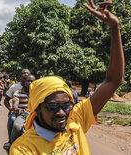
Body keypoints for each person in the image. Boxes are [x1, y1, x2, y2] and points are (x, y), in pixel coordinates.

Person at [9, 1, 124, 154]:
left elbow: (113, 81)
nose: (62, 113)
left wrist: (115, 28)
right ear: (37, 108)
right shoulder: (24, 149)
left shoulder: (74, 120)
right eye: (53, 107)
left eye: (66, 105)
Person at [4, 69, 30, 142]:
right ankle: (11, 141)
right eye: (24, 73)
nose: (26, 74)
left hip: (31, 112)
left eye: (28, 73)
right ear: (21, 76)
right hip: (18, 112)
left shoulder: (34, 89)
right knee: (12, 120)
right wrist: (11, 109)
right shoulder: (14, 87)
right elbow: (6, 100)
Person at [10, 74, 36, 143]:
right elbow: (15, 103)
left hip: (35, 116)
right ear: (24, 82)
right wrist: (16, 108)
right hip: (23, 115)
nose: (30, 83)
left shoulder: (37, 93)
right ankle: (12, 144)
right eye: (28, 81)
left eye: (32, 81)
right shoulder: (18, 92)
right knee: (16, 126)